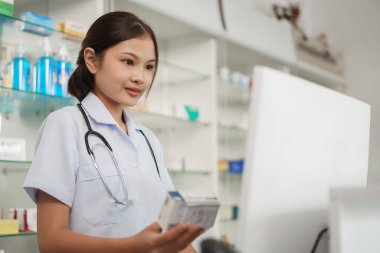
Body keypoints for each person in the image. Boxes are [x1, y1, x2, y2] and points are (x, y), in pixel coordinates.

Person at [23, 11, 204, 253]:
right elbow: (51, 241)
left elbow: (168, 234)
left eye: (149, 67)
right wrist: (133, 246)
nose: (140, 77)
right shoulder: (65, 125)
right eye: (128, 62)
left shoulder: (147, 139)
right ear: (92, 60)